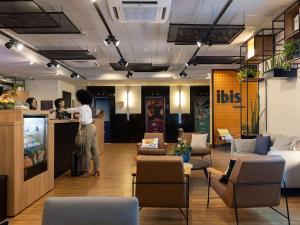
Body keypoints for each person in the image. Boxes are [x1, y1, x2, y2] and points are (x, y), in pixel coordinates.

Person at [62, 89, 100, 177]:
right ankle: (96, 170)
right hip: (93, 127)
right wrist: (80, 116)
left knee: (87, 151)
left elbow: (74, 111)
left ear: (81, 98)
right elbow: (85, 117)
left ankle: (87, 171)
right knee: (95, 150)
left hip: (87, 128)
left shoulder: (82, 107)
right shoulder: (88, 107)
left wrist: (64, 110)